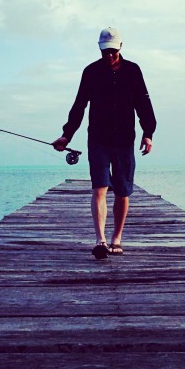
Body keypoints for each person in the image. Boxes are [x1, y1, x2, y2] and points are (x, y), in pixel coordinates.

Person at [53, 26, 156, 260]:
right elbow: (79, 106)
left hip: (124, 140)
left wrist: (148, 133)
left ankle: (116, 238)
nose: (108, 56)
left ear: (120, 47)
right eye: (104, 52)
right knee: (99, 187)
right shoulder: (90, 72)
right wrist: (66, 135)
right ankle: (100, 240)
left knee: (122, 191)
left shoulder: (133, 71)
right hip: (98, 138)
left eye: (112, 51)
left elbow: (144, 104)